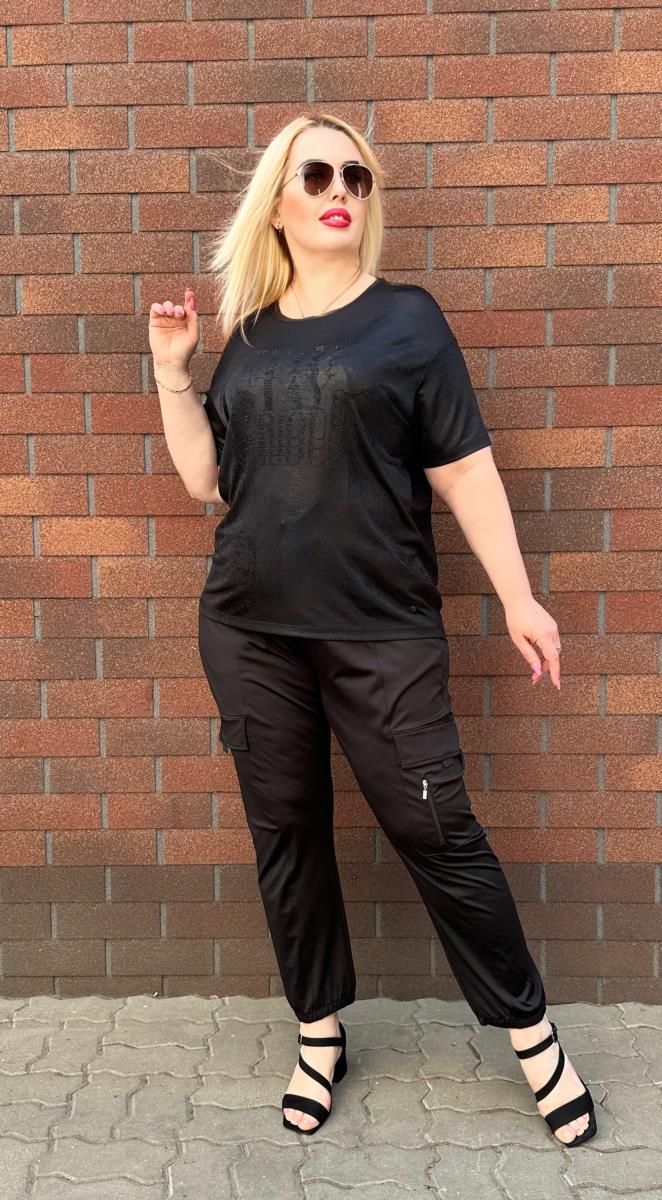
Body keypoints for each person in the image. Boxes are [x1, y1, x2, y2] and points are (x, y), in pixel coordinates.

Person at [148, 112, 596, 1147]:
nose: (338, 189)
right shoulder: (248, 337)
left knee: (436, 828)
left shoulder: (407, 320)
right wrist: (175, 372)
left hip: (382, 632)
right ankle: (319, 1033)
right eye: (315, 174)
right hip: (250, 628)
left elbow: (463, 468)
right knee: (286, 831)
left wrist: (519, 596)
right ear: (279, 202)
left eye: (354, 175)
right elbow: (208, 481)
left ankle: (532, 1035)